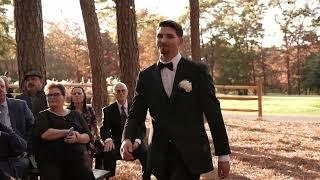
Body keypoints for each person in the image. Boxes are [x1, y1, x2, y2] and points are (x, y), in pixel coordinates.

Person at [121, 20, 231, 180]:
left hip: (190, 154)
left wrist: (223, 155)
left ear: (180, 40)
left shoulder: (197, 72)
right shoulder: (146, 76)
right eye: (159, 36)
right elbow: (135, 114)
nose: (163, 40)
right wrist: (127, 138)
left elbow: (214, 114)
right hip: (159, 154)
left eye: (169, 36)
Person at [32, 83, 94, 180]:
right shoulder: (42, 116)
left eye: (56, 94)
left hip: (76, 159)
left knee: (85, 174)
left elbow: (88, 136)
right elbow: (46, 134)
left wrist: (78, 137)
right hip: (51, 160)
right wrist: (68, 132)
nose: (52, 97)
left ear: (64, 97)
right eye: (49, 95)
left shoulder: (75, 115)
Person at [100, 82, 150, 180]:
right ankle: (108, 177)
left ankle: (146, 178)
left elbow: (142, 128)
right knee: (107, 151)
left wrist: (137, 142)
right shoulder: (108, 110)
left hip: (134, 141)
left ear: (127, 92)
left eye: (123, 91)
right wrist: (108, 140)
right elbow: (104, 129)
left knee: (146, 152)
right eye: (118, 91)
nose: (121, 93)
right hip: (117, 143)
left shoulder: (135, 107)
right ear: (114, 94)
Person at [0, 77, 34, 179]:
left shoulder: (19, 105)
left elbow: (32, 127)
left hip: (19, 153)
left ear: (6, 89)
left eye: (2, 86)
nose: (0, 90)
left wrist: (26, 146)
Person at [68, 86, 99, 168]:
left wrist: (90, 137)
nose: (76, 95)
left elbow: (94, 126)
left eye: (79, 93)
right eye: (74, 94)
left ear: (84, 95)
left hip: (89, 139)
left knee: (91, 149)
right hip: (74, 140)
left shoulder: (89, 109)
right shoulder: (67, 111)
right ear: (71, 97)